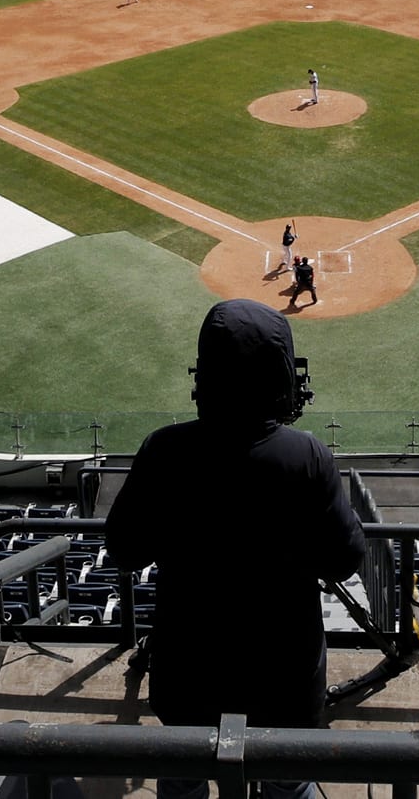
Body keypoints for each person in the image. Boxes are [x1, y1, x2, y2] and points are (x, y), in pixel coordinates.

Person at [105, 301, 363, 788]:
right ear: (280, 376)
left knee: (181, 783)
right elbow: (345, 558)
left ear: (206, 376)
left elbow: (124, 549)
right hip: (284, 681)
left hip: (188, 678)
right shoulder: (307, 454)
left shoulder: (164, 450)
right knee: (288, 783)